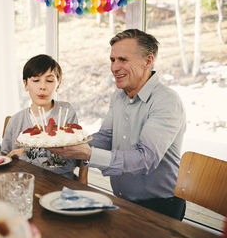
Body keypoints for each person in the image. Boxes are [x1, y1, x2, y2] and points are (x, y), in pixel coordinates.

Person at [49, 29, 187, 220]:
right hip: (122, 201)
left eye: (122, 59)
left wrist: (89, 154)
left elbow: (146, 158)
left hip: (159, 207)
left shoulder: (166, 101)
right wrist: (69, 143)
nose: (114, 67)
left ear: (148, 61)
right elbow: (106, 136)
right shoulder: (119, 96)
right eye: (113, 60)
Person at [1, 54, 79, 179]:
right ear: (26, 84)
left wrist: (26, 154)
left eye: (49, 80)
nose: (42, 86)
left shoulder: (65, 113)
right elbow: (6, 159)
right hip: (25, 184)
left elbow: (68, 163)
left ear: (58, 85)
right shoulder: (15, 121)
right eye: (36, 80)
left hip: (60, 184)